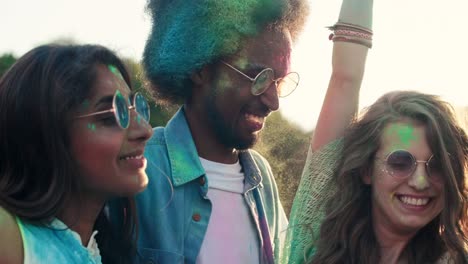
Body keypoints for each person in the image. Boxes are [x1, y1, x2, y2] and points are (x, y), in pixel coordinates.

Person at [283, 0, 468, 263]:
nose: (420, 181)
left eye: (437, 165)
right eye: (400, 162)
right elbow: (345, 78)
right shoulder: (317, 238)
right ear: (367, 169)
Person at [129, 0, 308, 263]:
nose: (273, 102)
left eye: (278, 82)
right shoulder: (140, 167)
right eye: (259, 78)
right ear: (200, 68)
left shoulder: (262, 179)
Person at [0, 44, 153, 264]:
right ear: (44, 131)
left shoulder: (104, 249)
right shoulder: (10, 238)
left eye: (134, 108)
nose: (145, 131)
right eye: (112, 116)